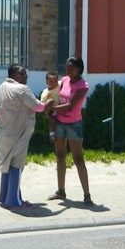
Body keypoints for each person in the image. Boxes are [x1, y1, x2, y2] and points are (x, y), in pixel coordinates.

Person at [0, 64, 50, 208]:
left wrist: (7, 119)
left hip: (4, 133)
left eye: (25, 74)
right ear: (13, 75)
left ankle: (4, 197)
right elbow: (38, 107)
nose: (25, 76)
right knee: (17, 166)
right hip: (19, 134)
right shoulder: (22, 89)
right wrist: (49, 103)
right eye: (22, 73)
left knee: (6, 163)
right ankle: (14, 200)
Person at [48, 56, 94, 205]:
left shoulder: (83, 86)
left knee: (78, 159)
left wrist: (50, 108)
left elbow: (71, 106)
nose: (68, 70)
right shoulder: (65, 80)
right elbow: (58, 96)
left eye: (72, 68)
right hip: (60, 123)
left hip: (74, 124)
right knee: (60, 156)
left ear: (79, 69)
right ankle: (61, 191)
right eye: (67, 68)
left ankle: (87, 195)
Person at [40, 70, 61, 140]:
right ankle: (51, 134)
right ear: (47, 82)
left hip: (59, 107)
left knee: (55, 122)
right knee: (52, 121)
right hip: (50, 110)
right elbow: (43, 103)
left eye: (55, 81)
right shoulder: (45, 92)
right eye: (51, 81)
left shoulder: (59, 86)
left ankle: (54, 134)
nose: (53, 83)